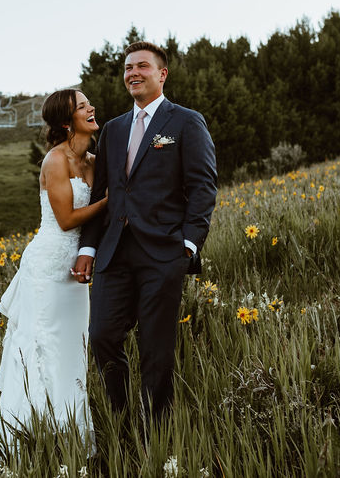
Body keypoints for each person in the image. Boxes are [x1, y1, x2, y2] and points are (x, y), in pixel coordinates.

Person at [74, 40, 218, 426]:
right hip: (113, 253)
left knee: (156, 349)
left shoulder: (186, 121)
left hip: (163, 253)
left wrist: (187, 246)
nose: (133, 73)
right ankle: (120, 420)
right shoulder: (114, 130)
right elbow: (100, 193)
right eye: (127, 68)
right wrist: (88, 247)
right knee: (103, 336)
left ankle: (155, 431)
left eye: (141, 66)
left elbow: (203, 186)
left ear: (162, 74)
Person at [0, 89, 108, 455]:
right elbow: (66, 219)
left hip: (77, 273)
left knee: (72, 352)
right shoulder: (55, 161)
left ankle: (71, 443)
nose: (90, 108)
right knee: (41, 348)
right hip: (47, 268)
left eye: (88, 103)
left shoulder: (94, 161)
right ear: (65, 120)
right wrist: (114, 199)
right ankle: (26, 443)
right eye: (81, 106)